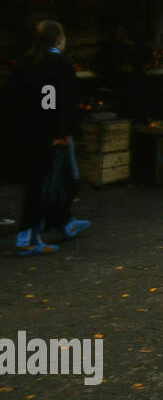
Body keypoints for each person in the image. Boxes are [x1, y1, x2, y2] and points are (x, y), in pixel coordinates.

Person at [12, 21, 90, 254]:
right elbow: (54, 101)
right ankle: (29, 237)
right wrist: (60, 132)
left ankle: (65, 222)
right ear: (58, 39)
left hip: (29, 131)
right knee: (44, 184)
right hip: (50, 133)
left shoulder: (27, 63)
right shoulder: (58, 64)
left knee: (54, 179)